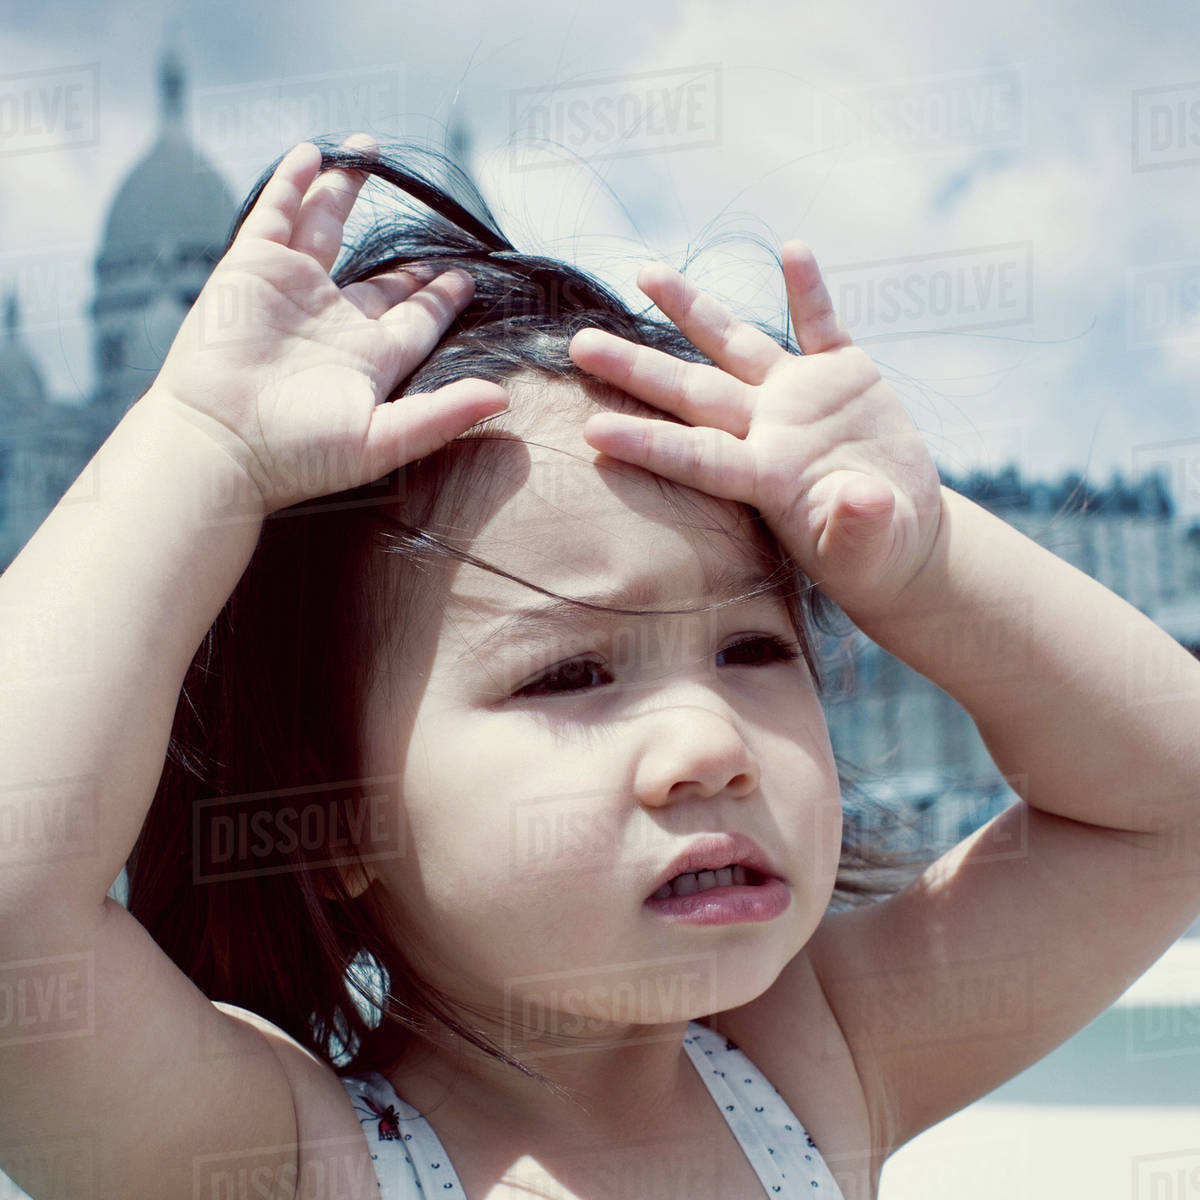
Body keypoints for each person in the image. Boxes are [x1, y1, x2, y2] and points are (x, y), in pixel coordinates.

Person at [2, 134, 1198, 1200]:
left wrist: (923, 555)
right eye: (569, 676)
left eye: (752, 648)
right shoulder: (297, 1161)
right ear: (331, 821)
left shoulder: (814, 1070)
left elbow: (1168, 799)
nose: (711, 747)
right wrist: (197, 449)